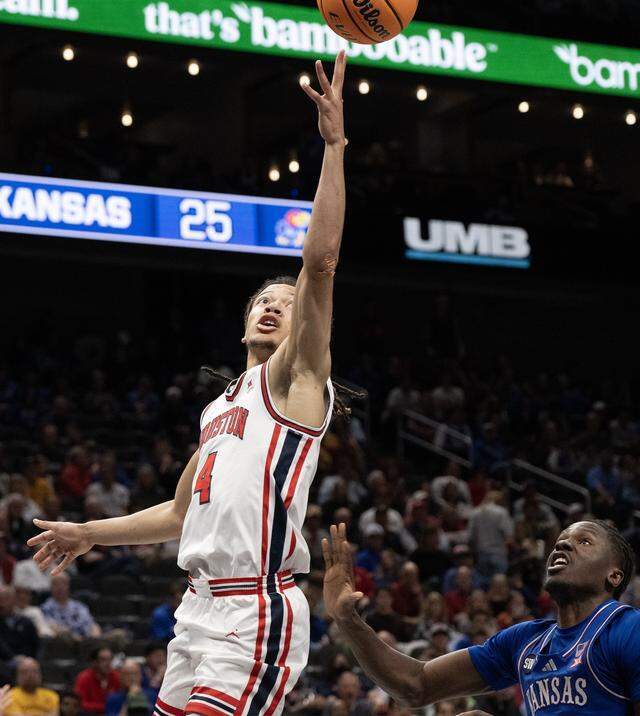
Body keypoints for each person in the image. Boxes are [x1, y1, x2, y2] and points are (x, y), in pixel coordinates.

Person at [28, 52, 349, 716]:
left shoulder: (296, 381)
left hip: (255, 608)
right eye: (261, 300)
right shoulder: (218, 409)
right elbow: (179, 515)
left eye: (284, 305)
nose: (272, 305)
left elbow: (318, 264)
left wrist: (334, 147)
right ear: (241, 326)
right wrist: (91, 532)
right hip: (197, 611)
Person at [322, 519, 640, 716]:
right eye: (561, 541)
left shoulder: (628, 630)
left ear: (614, 576)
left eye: (583, 541)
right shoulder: (525, 640)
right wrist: (348, 621)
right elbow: (416, 685)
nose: (564, 544)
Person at [41, 573, 101, 638]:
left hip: (86, 641)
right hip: (66, 642)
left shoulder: (79, 606)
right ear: (51, 587)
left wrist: (95, 637)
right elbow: (53, 628)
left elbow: (92, 624)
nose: (60, 587)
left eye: (63, 583)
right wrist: (74, 637)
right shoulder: (46, 608)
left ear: (68, 586)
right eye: (56, 584)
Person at [74, 646, 120, 715]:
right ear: (94, 662)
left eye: (110, 659)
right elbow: (80, 704)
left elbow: (122, 701)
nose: (108, 663)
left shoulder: (117, 676)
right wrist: (107, 707)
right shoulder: (84, 678)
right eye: (103, 660)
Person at [0, 585, 39, 660]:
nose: (2, 603)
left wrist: (32, 660)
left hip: (27, 662)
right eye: (0, 599)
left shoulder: (26, 622)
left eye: (5, 598)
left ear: (14, 600)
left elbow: (36, 645)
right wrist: (13, 658)